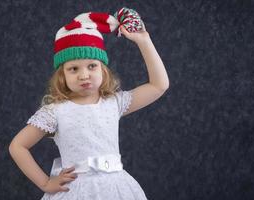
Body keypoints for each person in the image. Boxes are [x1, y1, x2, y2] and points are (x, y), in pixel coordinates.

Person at [9, 7, 169, 199]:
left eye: (92, 66)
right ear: (62, 75)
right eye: (73, 69)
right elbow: (17, 146)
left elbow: (159, 85)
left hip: (116, 190)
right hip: (76, 192)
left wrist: (144, 41)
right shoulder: (55, 112)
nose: (84, 75)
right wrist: (45, 183)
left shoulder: (114, 103)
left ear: (103, 70)